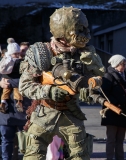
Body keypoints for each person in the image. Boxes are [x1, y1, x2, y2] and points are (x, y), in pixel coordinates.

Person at [18, 7, 106, 160]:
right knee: (33, 154)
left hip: (72, 113)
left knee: (80, 155)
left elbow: (95, 82)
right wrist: (48, 91)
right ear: (63, 31)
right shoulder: (40, 53)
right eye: (80, 29)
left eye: (85, 29)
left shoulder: (85, 55)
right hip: (44, 113)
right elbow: (24, 86)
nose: (85, 34)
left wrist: (88, 92)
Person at [100, 54, 126, 160]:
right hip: (112, 112)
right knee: (111, 139)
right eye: (123, 64)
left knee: (120, 140)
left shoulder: (125, 75)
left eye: (125, 64)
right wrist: (116, 103)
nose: (124, 66)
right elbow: (104, 94)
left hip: (123, 112)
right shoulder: (108, 76)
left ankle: (120, 158)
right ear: (116, 64)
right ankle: (109, 158)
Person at [0, 64, 31, 160]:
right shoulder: (4, 64)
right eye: (16, 53)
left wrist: (9, 82)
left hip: (24, 110)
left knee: (27, 141)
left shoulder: (29, 65)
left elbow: (29, 81)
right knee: (6, 140)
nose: (19, 55)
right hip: (6, 111)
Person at [0, 38, 24, 113]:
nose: (17, 55)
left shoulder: (18, 61)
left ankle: (18, 102)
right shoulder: (8, 60)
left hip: (9, 79)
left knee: (15, 90)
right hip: (9, 78)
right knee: (7, 91)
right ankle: (3, 103)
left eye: (18, 53)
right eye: (15, 54)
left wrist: (9, 81)